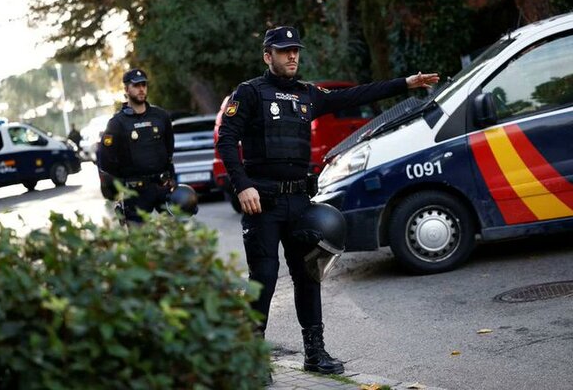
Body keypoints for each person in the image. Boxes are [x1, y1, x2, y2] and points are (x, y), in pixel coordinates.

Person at [216, 26, 439, 376]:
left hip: (300, 203)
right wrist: (243, 185)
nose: (292, 56)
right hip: (264, 205)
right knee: (265, 277)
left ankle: (315, 353)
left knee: (308, 277)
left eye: (295, 50)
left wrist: (405, 84)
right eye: (284, 50)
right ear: (267, 55)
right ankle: (251, 358)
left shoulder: (309, 95)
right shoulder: (250, 93)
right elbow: (227, 140)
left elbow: (356, 95)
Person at [97, 68, 175, 224]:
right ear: (126, 89)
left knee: (179, 238)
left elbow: (169, 149)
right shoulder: (117, 123)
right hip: (135, 193)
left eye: (144, 85)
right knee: (139, 243)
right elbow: (105, 159)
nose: (141, 89)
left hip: (162, 187)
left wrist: (170, 177)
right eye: (136, 85)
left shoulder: (161, 116)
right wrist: (121, 183)